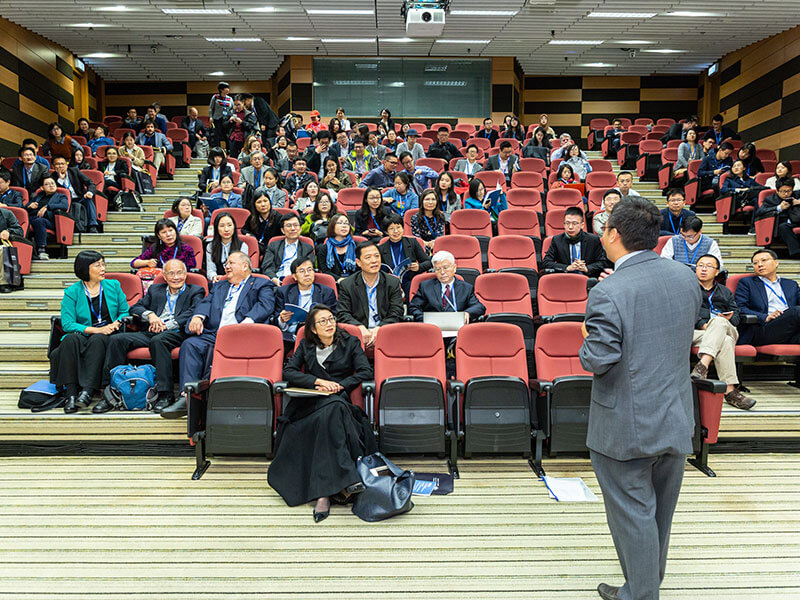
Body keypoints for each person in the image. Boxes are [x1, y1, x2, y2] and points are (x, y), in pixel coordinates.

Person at [580, 196, 701, 600]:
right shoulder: (686, 277)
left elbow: (599, 359)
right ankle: (644, 585)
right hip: (676, 415)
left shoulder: (609, 291)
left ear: (614, 234)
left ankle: (641, 594)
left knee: (633, 515)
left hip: (625, 427)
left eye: (604, 229)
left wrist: (585, 337)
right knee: (658, 516)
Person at [267, 304, 376, 521]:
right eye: (323, 321)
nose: (329, 324)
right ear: (313, 329)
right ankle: (347, 478)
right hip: (310, 403)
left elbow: (366, 371)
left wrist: (340, 385)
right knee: (330, 415)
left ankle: (323, 494)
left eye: (331, 319)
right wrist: (317, 381)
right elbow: (288, 372)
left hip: (338, 400)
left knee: (334, 410)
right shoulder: (306, 345)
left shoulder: (350, 342)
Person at [162, 251, 277, 418]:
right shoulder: (219, 286)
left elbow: (265, 305)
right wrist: (198, 316)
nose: (226, 266)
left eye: (231, 263)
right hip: (216, 333)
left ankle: (206, 400)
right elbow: (206, 302)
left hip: (243, 335)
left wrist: (246, 324)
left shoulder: (261, 284)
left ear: (245, 266)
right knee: (190, 344)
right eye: (226, 264)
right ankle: (186, 396)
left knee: (215, 353)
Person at [95, 259, 205, 413]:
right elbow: (136, 307)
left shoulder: (196, 290)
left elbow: (193, 311)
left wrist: (166, 325)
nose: (176, 277)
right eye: (171, 273)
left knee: (159, 340)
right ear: (164, 276)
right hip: (152, 330)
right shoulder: (155, 289)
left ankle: (165, 394)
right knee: (116, 340)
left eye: (179, 273)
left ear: (186, 274)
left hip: (177, 332)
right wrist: (151, 316)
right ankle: (111, 392)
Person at [50, 251, 130, 413]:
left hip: (107, 334)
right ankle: (71, 395)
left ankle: (87, 391)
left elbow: (124, 312)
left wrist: (115, 324)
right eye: (97, 265)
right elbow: (67, 323)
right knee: (70, 340)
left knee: (98, 339)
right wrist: (96, 329)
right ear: (85, 269)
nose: (103, 268)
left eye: (103, 264)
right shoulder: (72, 292)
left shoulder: (113, 286)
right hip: (83, 333)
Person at [690, 254, 756, 410]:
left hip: (726, 328)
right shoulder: (688, 288)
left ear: (717, 272)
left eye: (708, 266)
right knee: (725, 341)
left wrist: (728, 319)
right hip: (697, 332)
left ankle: (702, 366)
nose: (703, 269)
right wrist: (703, 324)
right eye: (700, 265)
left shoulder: (725, 291)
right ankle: (730, 391)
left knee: (720, 322)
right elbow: (684, 310)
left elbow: (737, 315)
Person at [336, 241, 404, 347]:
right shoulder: (347, 284)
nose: (374, 261)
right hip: (358, 335)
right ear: (358, 262)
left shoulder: (392, 282)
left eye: (377, 256)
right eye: (368, 257)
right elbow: (343, 313)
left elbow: (397, 312)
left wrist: (380, 328)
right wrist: (359, 327)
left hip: (386, 332)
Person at [734, 249, 800, 347]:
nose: (759, 265)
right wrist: (765, 317)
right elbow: (740, 308)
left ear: (776, 262)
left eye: (764, 260)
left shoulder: (791, 284)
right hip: (765, 328)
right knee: (797, 311)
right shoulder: (747, 283)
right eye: (755, 263)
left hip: (790, 329)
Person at [408, 250, 485, 323]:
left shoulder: (466, 288)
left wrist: (467, 313)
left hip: (457, 327)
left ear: (454, 268)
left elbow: (479, 307)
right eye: (438, 269)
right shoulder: (425, 286)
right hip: (432, 327)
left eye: (445, 268)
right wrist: (425, 319)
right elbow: (413, 307)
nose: (442, 272)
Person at [274, 258, 337, 342]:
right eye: (302, 271)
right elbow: (275, 318)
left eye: (310, 270)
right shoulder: (283, 292)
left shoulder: (327, 292)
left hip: (318, 335)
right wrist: (281, 320)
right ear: (294, 276)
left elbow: (334, 317)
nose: (307, 274)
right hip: (291, 336)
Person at [543, 206, 609, 277]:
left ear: (582, 225)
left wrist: (587, 268)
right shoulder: (557, 240)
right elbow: (546, 262)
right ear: (564, 224)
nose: (570, 227)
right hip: (565, 277)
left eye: (574, 223)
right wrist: (567, 267)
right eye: (567, 223)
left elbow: (603, 262)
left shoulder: (593, 240)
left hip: (588, 278)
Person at [261, 213, 315, 284]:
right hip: (277, 280)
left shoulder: (308, 248)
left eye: (295, 225)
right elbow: (267, 267)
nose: (292, 229)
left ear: (300, 229)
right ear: (282, 230)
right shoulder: (273, 245)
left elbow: (309, 269)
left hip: (298, 282)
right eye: (288, 226)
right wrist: (274, 278)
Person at [50, 155, 100, 233]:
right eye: (57, 164)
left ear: (66, 165)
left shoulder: (74, 171)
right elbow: (54, 191)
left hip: (80, 197)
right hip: (65, 202)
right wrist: (60, 180)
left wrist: (89, 192)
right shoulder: (52, 178)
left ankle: (93, 225)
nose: (60, 166)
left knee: (88, 200)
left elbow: (90, 183)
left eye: (62, 164)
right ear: (53, 166)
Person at [754, 178, 800, 257]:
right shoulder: (770, 199)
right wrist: (779, 208)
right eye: (783, 191)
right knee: (783, 226)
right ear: (777, 191)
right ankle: (796, 253)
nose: (786, 194)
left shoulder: (797, 195)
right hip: (780, 224)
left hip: (797, 220)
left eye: (789, 191)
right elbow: (759, 212)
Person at [26, 177, 68, 260]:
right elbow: (25, 207)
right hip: (33, 218)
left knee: (39, 221)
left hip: (50, 221)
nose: (51, 185)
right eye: (47, 184)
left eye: (52, 183)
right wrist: (29, 206)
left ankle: (41, 250)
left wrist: (47, 206)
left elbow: (64, 206)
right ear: (42, 188)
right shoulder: (39, 196)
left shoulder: (61, 196)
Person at [131, 219, 197, 271]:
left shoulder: (186, 249)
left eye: (170, 230)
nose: (168, 234)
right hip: (160, 280)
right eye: (164, 232)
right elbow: (133, 263)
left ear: (175, 232)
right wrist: (147, 262)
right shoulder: (155, 248)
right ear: (159, 236)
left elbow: (192, 269)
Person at [206, 212, 248, 282]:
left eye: (229, 225)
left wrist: (226, 278)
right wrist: (214, 277)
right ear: (216, 228)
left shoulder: (242, 246)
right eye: (222, 226)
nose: (226, 229)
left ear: (234, 227)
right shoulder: (210, 246)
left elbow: (243, 270)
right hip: (218, 282)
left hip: (237, 281)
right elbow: (210, 270)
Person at [316, 214, 359, 281]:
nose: (344, 226)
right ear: (332, 226)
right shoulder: (324, 249)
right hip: (333, 283)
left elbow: (362, 269)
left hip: (355, 282)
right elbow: (326, 272)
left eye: (346, 223)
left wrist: (350, 281)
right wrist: (339, 280)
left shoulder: (357, 246)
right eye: (340, 223)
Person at [242, 187, 282, 254]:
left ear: (270, 203)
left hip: (273, 250)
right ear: (254, 205)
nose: (263, 205)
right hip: (256, 247)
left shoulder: (278, 217)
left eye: (265, 201)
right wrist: (249, 234)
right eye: (259, 202)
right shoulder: (253, 217)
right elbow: (244, 229)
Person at [208, 81, 233, 148]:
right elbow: (211, 108)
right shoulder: (215, 97)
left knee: (227, 135)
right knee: (217, 135)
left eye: (228, 88)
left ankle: (228, 149)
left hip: (226, 119)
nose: (228, 89)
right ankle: (217, 149)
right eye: (226, 88)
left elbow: (232, 109)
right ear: (221, 89)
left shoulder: (230, 98)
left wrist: (231, 116)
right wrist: (211, 117)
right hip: (217, 118)